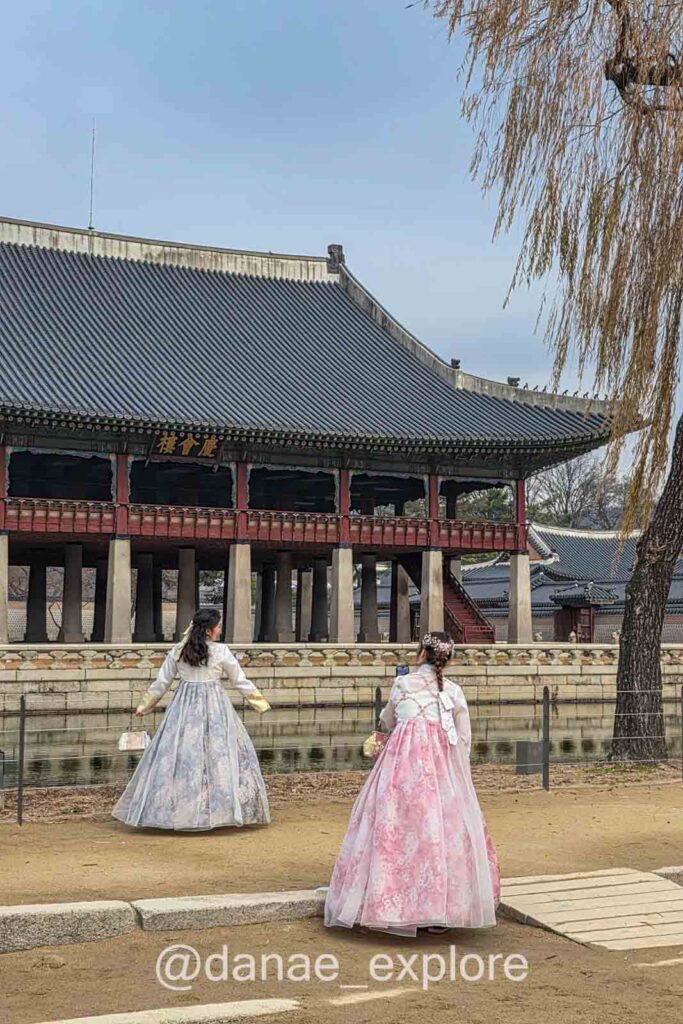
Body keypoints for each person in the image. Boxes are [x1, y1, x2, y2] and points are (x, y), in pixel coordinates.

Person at [324, 631, 500, 936]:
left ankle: (389, 903)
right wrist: (459, 771)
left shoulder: (402, 684)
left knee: (393, 830)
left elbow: (387, 721)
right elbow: (464, 738)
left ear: (421, 654)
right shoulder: (454, 692)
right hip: (441, 770)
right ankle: (440, 909)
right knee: (441, 832)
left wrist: (386, 736)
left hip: (399, 770)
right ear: (448, 659)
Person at [112, 607, 271, 831]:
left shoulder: (178, 650)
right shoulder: (221, 651)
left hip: (183, 707)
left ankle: (177, 807)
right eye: (218, 626)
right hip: (215, 706)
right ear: (208, 630)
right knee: (217, 755)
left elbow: (162, 682)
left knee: (180, 755)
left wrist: (145, 706)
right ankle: (217, 808)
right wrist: (260, 703)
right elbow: (240, 680)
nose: (220, 629)